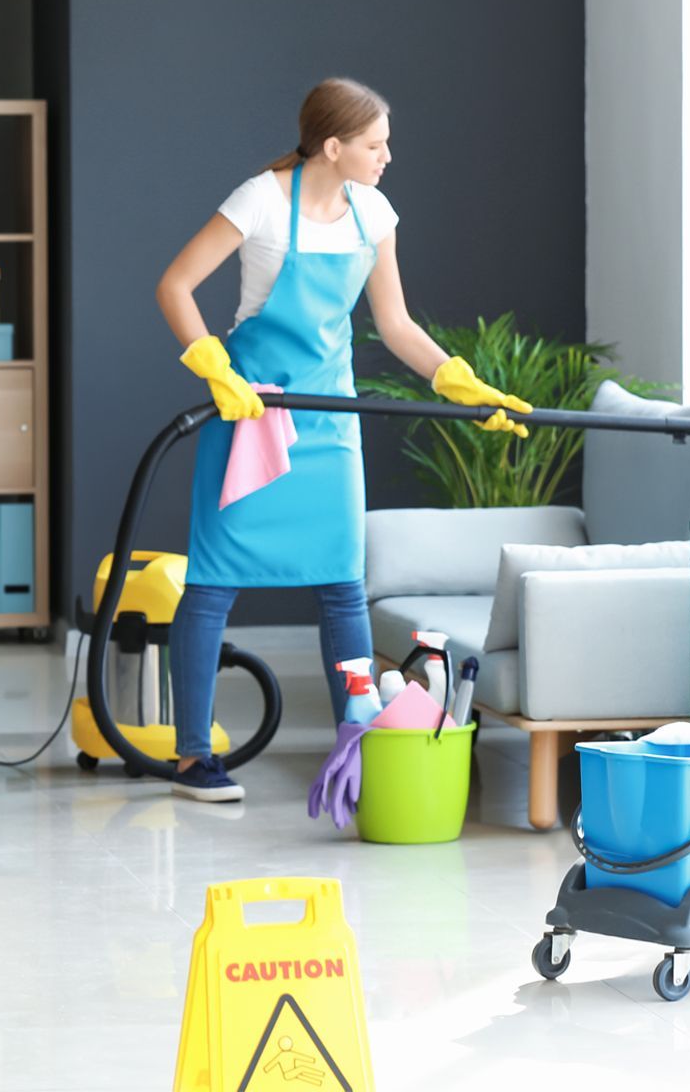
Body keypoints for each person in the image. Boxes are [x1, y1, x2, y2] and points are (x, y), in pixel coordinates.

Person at [155, 77, 532, 802]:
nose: (387, 156)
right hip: (252, 413)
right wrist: (213, 367)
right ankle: (193, 757)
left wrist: (461, 383)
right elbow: (176, 285)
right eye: (374, 144)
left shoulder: (374, 212)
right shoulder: (262, 199)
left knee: (341, 588)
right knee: (212, 583)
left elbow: (396, 325)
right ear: (333, 147)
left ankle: (358, 748)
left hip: (329, 420)